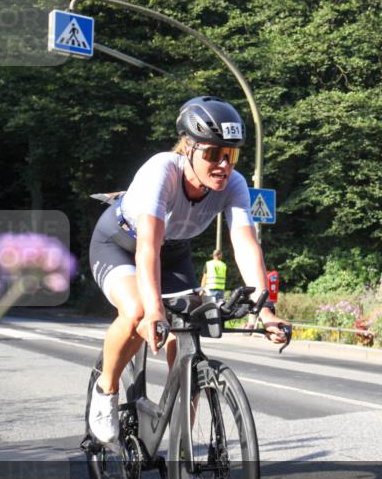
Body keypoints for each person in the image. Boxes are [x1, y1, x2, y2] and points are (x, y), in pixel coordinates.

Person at [87, 96, 289, 444]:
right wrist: (153, 311)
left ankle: (182, 451)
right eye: (213, 154)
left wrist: (266, 310)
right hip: (120, 244)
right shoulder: (161, 170)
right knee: (137, 310)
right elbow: (148, 247)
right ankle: (106, 390)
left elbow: (245, 245)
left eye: (232, 155)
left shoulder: (234, 185)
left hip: (174, 252)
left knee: (189, 332)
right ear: (188, 148)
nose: (224, 165)